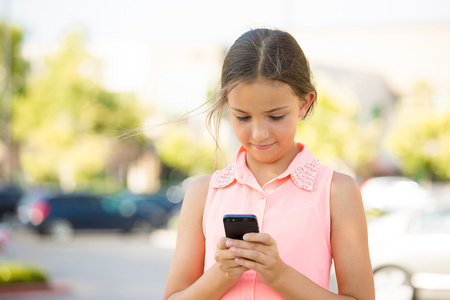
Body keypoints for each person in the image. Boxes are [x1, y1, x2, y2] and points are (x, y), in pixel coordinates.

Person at [163, 28, 375, 300]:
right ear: (228, 106)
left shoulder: (337, 192)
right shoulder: (202, 194)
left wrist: (279, 275)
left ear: (304, 103)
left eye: (275, 117)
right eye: (242, 117)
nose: (259, 133)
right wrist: (222, 274)